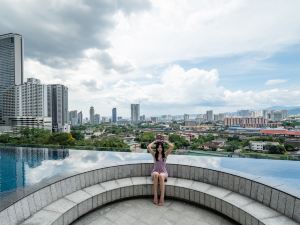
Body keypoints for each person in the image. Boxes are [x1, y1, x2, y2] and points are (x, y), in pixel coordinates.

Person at [147, 136, 174, 206]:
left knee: (161, 176)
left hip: (163, 173)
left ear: (162, 148)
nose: (159, 148)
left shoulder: (165, 154)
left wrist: (165, 141)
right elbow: (148, 147)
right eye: (158, 147)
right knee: (156, 174)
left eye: (161, 147)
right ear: (157, 148)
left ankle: (162, 197)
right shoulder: (154, 154)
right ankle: (155, 196)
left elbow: (171, 146)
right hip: (155, 172)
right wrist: (155, 141)